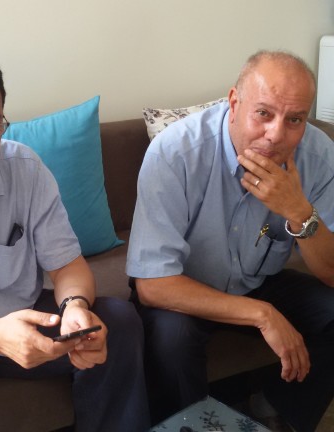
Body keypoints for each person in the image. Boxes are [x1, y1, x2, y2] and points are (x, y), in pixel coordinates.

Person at [0, 36, 150, 432]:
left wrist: (74, 307)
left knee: (117, 323)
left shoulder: (25, 169)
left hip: (24, 318)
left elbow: (68, 265)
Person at [127, 50, 334, 432]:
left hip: (257, 281)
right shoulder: (175, 152)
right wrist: (262, 315)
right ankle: (189, 426)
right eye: (263, 113)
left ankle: (276, 413)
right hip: (183, 288)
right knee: (172, 338)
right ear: (235, 103)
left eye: (294, 119)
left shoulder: (319, 157)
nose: (276, 134)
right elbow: (153, 284)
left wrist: (298, 212)